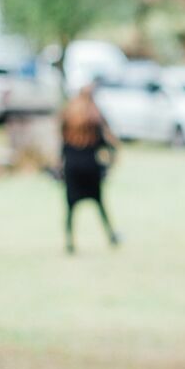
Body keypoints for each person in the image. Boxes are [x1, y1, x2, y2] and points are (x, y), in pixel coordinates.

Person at [60, 87, 120, 253]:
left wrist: (60, 164)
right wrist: (109, 163)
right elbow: (106, 142)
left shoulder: (68, 115)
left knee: (71, 207)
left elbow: (62, 143)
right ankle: (111, 235)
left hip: (72, 166)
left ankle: (69, 241)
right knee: (99, 204)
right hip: (90, 166)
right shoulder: (93, 117)